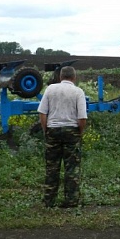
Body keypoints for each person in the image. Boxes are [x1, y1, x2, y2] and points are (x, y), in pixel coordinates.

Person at [37, 66, 87, 208]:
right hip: (72, 131)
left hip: (52, 130)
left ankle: (49, 201)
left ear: (60, 77)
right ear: (74, 77)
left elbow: (42, 113)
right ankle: (71, 201)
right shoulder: (78, 92)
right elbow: (82, 117)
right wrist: (79, 132)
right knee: (72, 168)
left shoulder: (50, 89)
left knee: (52, 167)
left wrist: (46, 129)